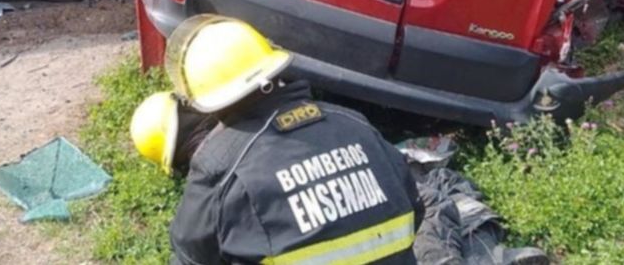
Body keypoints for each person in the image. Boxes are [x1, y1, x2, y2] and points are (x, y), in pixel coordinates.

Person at [148, 15, 423, 264]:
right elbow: (415, 206)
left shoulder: (220, 164)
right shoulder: (355, 124)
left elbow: (190, 253)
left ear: (210, 102)